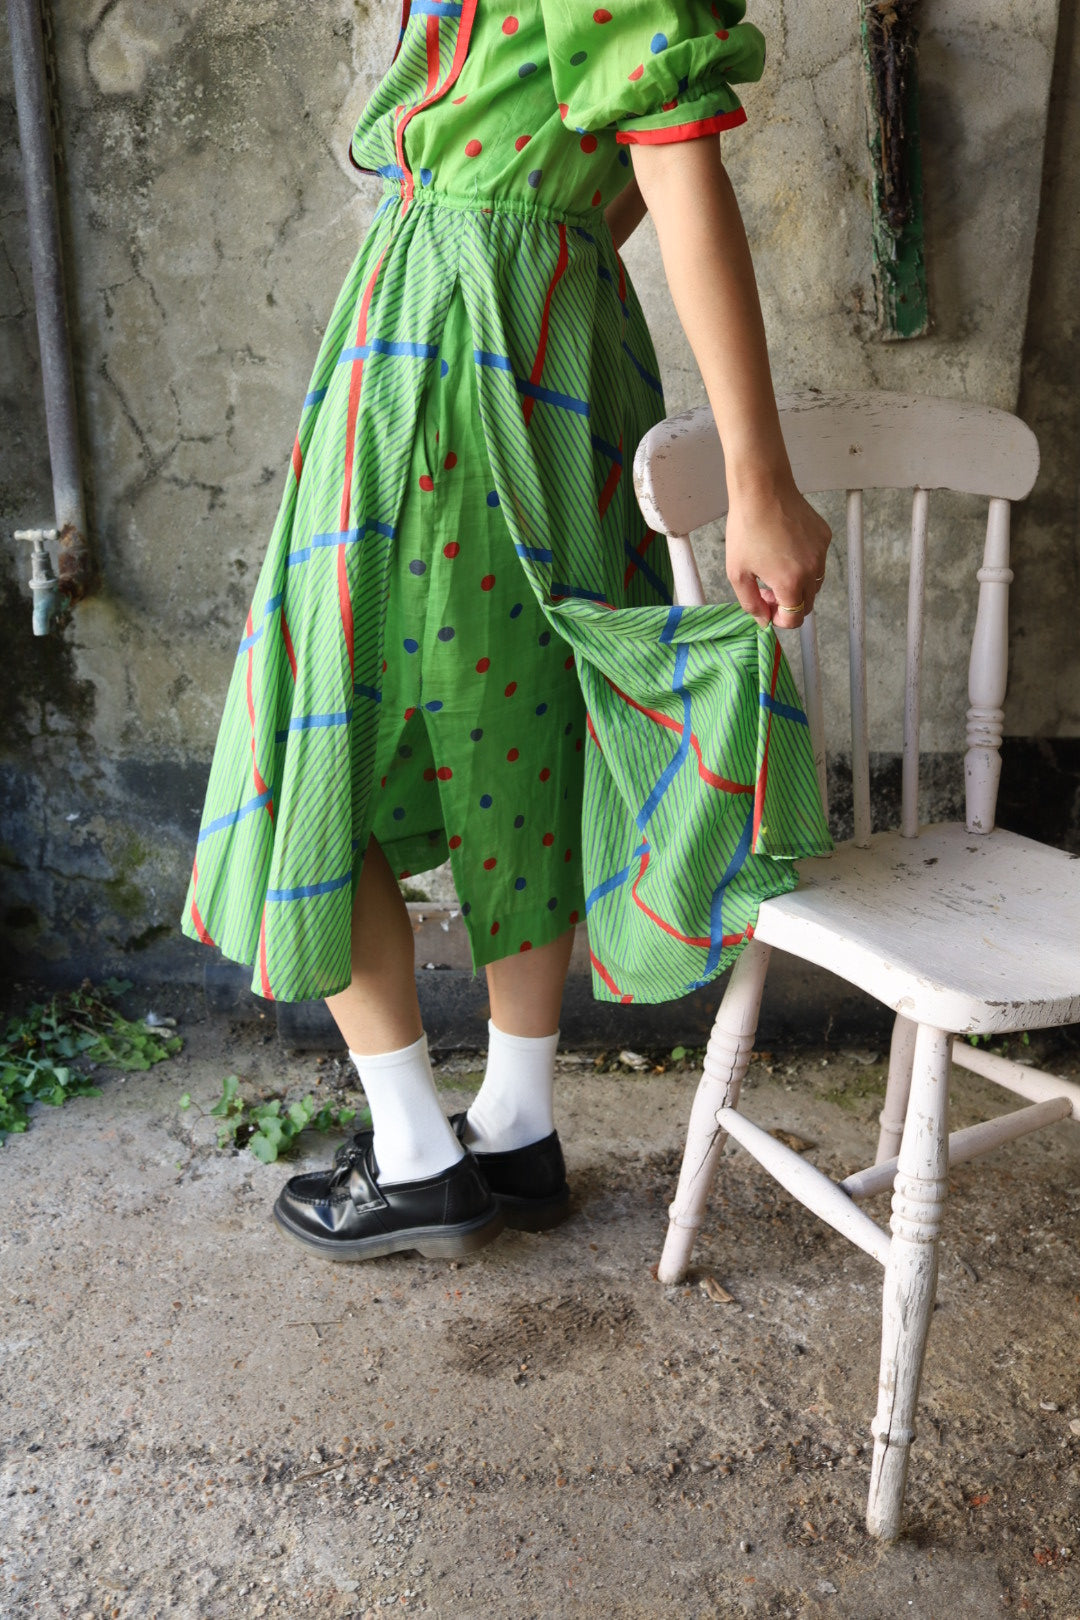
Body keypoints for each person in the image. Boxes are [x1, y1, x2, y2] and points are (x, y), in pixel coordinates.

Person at [181, 0, 832, 1261]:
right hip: (558, 331)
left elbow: (671, 148)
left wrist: (759, 482)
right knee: (526, 715)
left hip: (444, 327)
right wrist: (555, 245)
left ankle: (420, 1153)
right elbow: (638, 142)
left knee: (325, 716)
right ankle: (517, 1125)